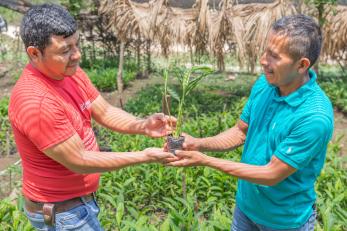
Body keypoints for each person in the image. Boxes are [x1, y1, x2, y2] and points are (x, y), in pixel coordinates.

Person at [8, 4, 175, 231]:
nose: (76, 55)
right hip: (64, 213)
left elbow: (104, 111)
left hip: (78, 204)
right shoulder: (36, 102)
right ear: (34, 53)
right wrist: (145, 155)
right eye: (65, 50)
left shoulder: (69, 73)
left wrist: (143, 125)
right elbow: (80, 160)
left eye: (77, 44)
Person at [167, 14, 334, 231]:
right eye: (265, 51)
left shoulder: (314, 116)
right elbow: (240, 132)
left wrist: (205, 160)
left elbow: (271, 174)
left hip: (284, 221)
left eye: (274, 56)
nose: (263, 60)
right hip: (246, 210)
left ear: (302, 65)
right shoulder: (266, 84)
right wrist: (198, 143)